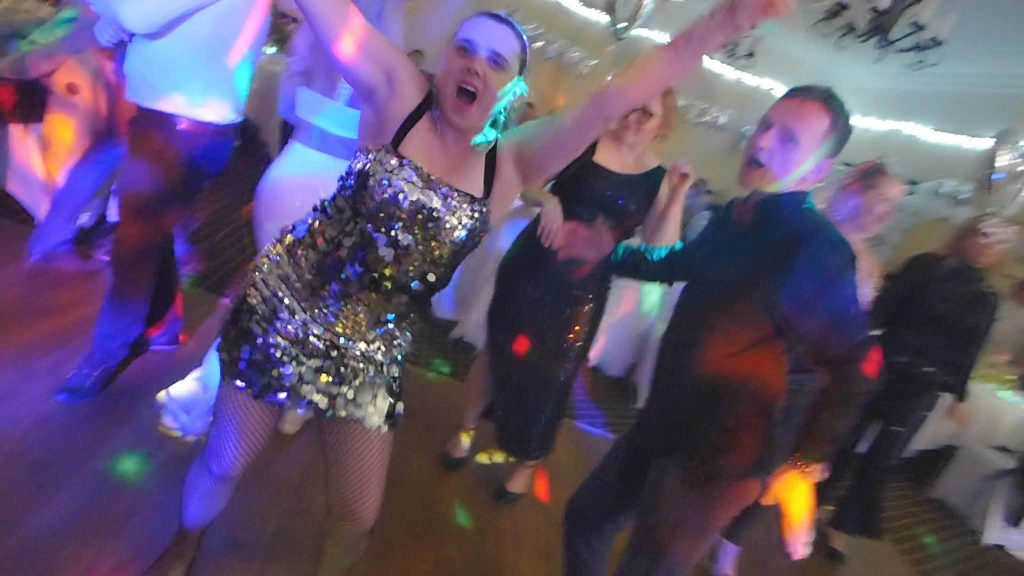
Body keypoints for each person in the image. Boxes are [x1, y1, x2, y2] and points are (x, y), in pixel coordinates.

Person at [144, 0, 791, 573]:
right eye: (465, 49)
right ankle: (181, 545)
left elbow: (613, 99)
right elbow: (333, 14)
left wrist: (725, 20)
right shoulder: (399, 95)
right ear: (447, 59)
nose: (475, 65)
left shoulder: (510, 164)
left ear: (511, 89)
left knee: (359, 512)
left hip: (373, 347)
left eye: (496, 61)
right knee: (226, 461)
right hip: (290, 303)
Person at [556, 85, 879, 575]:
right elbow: (679, 261)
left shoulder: (817, 246)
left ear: (817, 171)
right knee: (585, 521)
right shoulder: (737, 215)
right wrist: (610, 253)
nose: (762, 141)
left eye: (787, 139)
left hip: (722, 456)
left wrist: (804, 464)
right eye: (766, 126)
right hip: (668, 419)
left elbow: (860, 362)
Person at [154, 0, 408, 441]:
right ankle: (273, 399)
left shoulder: (311, 36)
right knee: (308, 310)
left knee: (264, 300)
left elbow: (288, 111)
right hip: (329, 194)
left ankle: (221, 392)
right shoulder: (385, 67)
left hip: (282, 180)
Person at [440, 90, 686, 502]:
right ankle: (465, 430)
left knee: (554, 376)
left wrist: (677, 197)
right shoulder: (584, 140)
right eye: (631, 105)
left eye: (647, 113)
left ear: (662, 125)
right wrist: (548, 199)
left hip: (583, 290)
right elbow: (526, 182)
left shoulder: (658, 179)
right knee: (496, 350)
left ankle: (526, 461)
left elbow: (660, 249)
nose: (634, 117)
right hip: (532, 266)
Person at [53, 0, 273, 401]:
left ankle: (107, 351)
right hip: (184, 123)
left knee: (134, 242)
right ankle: (164, 323)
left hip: (177, 128)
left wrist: (111, 19)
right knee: (153, 226)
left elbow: (135, 15)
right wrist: (114, 23)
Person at [711, 160, 906, 576]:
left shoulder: (870, 267)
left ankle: (727, 551)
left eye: (895, 205)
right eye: (881, 198)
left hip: (807, 386)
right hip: (757, 365)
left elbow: (851, 346)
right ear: (853, 188)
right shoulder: (806, 229)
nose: (887, 212)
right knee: (719, 457)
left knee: (763, 473)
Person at [820, 214, 1018, 563]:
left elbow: (970, 348)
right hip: (884, 364)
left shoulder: (985, 297)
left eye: (999, 242)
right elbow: (885, 307)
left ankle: (843, 525)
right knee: (846, 437)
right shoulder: (926, 267)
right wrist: (856, 343)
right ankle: (813, 501)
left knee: (883, 456)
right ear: (968, 235)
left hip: (924, 383)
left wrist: (958, 394)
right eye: (985, 236)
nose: (988, 247)